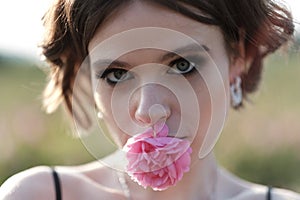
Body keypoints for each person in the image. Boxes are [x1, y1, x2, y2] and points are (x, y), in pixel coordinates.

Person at [0, 0, 299, 199]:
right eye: (116, 74)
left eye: (182, 66)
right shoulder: (39, 195)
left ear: (238, 59)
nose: (149, 110)